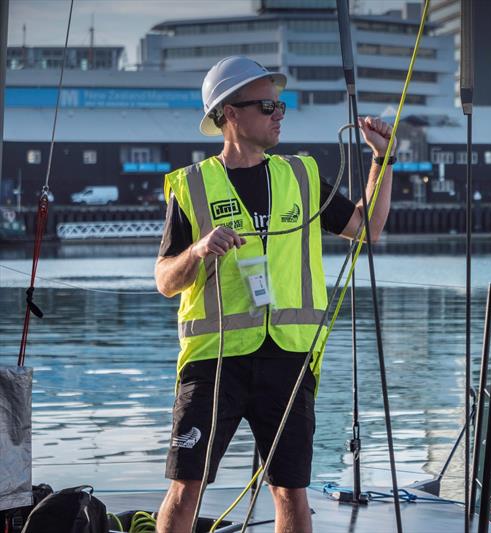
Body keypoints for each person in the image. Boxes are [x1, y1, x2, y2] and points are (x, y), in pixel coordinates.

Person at [154, 56, 394, 533]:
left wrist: (382, 159)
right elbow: (165, 280)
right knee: (186, 488)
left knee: (291, 492)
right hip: (214, 360)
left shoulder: (300, 177)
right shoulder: (193, 186)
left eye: (279, 104)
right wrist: (198, 251)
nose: (279, 113)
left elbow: (367, 228)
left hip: (289, 357)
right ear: (230, 113)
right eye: (267, 105)